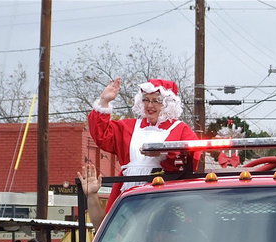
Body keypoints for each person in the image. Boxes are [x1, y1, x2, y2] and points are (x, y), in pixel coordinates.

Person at [80, 78, 200, 228]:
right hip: (128, 191)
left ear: (169, 103)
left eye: (156, 101)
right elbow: (101, 135)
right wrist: (104, 101)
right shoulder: (130, 126)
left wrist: (162, 154)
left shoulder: (181, 129)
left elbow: (190, 159)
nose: (150, 105)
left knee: (157, 231)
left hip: (161, 193)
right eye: (146, 100)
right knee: (115, 230)